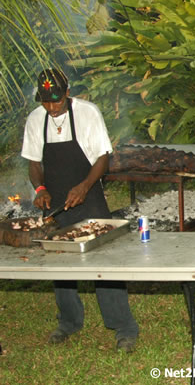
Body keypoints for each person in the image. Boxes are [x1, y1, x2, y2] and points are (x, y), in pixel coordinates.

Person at [21, 68, 139, 352]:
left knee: (105, 263)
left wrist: (84, 187)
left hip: (89, 194)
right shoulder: (36, 119)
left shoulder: (88, 113)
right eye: (46, 102)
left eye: (57, 101)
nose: (51, 108)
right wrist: (40, 190)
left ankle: (123, 327)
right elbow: (34, 163)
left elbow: (103, 158)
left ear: (68, 93)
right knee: (59, 263)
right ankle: (69, 322)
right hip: (56, 201)